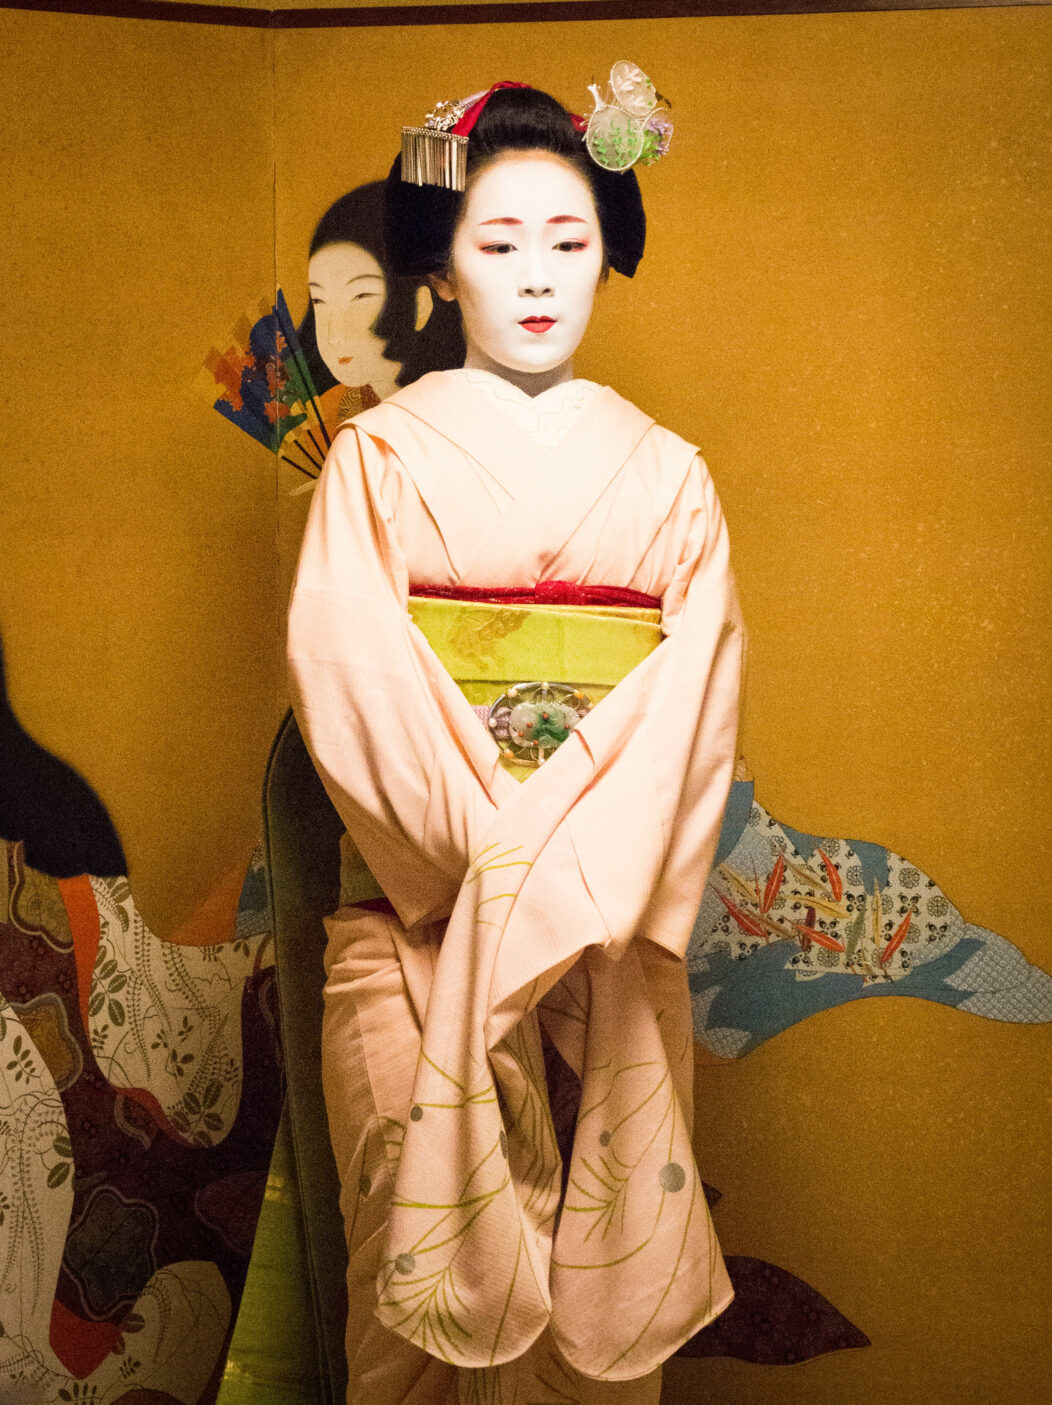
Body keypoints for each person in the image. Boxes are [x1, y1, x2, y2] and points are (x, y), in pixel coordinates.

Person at [287, 76, 744, 1404]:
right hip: (415, 940)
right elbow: (357, 689)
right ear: (441, 259)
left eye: (566, 237)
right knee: (420, 1328)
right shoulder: (376, 466)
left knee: (604, 1343)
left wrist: (553, 893)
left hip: (609, 958)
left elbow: (685, 721)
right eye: (499, 239)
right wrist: (513, 876)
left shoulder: (671, 478)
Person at [298, 181, 464, 435]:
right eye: (319, 301)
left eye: (360, 297)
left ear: (421, 304)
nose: (334, 335)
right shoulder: (339, 409)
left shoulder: (453, 414)